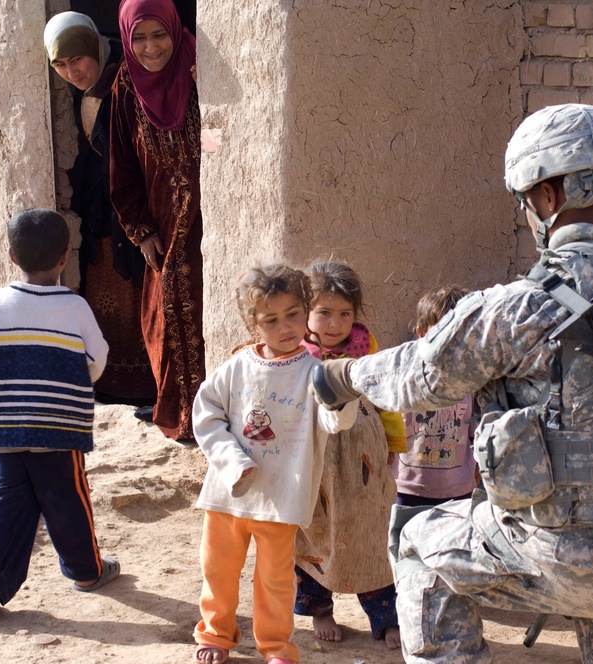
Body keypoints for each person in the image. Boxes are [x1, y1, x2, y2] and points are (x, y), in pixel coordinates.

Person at [312, 104, 593, 663]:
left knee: (422, 545)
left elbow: (418, 377)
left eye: (525, 201)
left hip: (565, 557)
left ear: (546, 195)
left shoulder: (527, 305)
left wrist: (345, 373)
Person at [191, 264, 358, 664]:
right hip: (228, 494)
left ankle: (276, 647)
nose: (286, 327)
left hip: (280, 498)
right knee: (218, 571)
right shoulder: (236, 368)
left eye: (294, 315)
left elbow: (335, 422)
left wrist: (341, 395)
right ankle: (215, 634)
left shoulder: (315, 372)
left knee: (276, 581)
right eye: (271, 319)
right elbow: (206, 415)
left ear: (305, 311)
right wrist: (232, 461)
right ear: (253, 324)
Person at [0, 208, 120, 617]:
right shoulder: (75, 306)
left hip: (7, 426)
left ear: (12, 257)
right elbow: (96, 359)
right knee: (67, 497)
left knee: (6, 502)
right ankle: (87, 572)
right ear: (65, 256)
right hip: (58, 426)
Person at [43, 11, 156, 411]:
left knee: (138, 302)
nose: (72, 71)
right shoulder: (86, 92)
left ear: (95, 47)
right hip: (100, 221)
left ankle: (147, 388)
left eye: (78, 59)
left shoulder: (127, 82)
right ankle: (109, 387)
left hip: (138, 217)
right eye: (60, 64)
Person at [293, 261, 405, 649]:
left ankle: (386, 617)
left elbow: (385, 400)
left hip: (364, 458)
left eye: (344, 314)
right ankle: (319, 609)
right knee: (314, 531)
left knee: (372, 535)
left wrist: (394, 444)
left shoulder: (366, 347)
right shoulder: (295, 353)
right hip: (316, 459)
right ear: (306, 312)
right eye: (324, 312)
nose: (335, 323)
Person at [110, 0, 205, 440]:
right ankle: (184, 415)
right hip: (163, 229)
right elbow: (122, 166)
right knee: (166, 318)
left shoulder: (198, 67)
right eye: (139, 37)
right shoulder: (126, 85)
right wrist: (141, 230)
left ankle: (216, 416)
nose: (151, 47)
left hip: (208, 220)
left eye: (159, 34)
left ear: (174, 29)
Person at [392, 285, 478, 507]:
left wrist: (478, 467)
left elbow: (476, 431)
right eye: (442, 331)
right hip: (408, 486)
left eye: (459, 332)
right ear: (422, 333)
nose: (451, 340)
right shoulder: (405, 374)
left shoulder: (471, 377)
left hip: (458, 488)